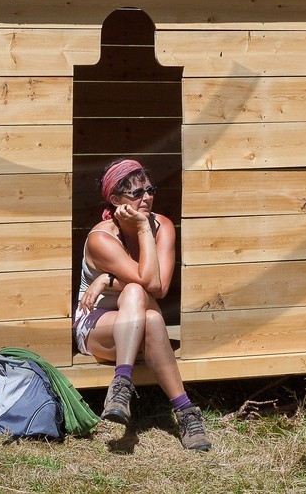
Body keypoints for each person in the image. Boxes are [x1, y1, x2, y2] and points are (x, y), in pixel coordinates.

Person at [74, 158, 211, 452]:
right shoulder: (102, 238)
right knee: (138, 292)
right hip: (99, 326)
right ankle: (177, 407)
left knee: (143, 304)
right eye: (136, 193)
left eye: (150, 190)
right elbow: (148, 281)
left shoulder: (162, 226)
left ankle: (130, 390)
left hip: (142, 320)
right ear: (115, 199)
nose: (147, 197)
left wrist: (108, 280)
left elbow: (159, 288)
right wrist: (112, 278)